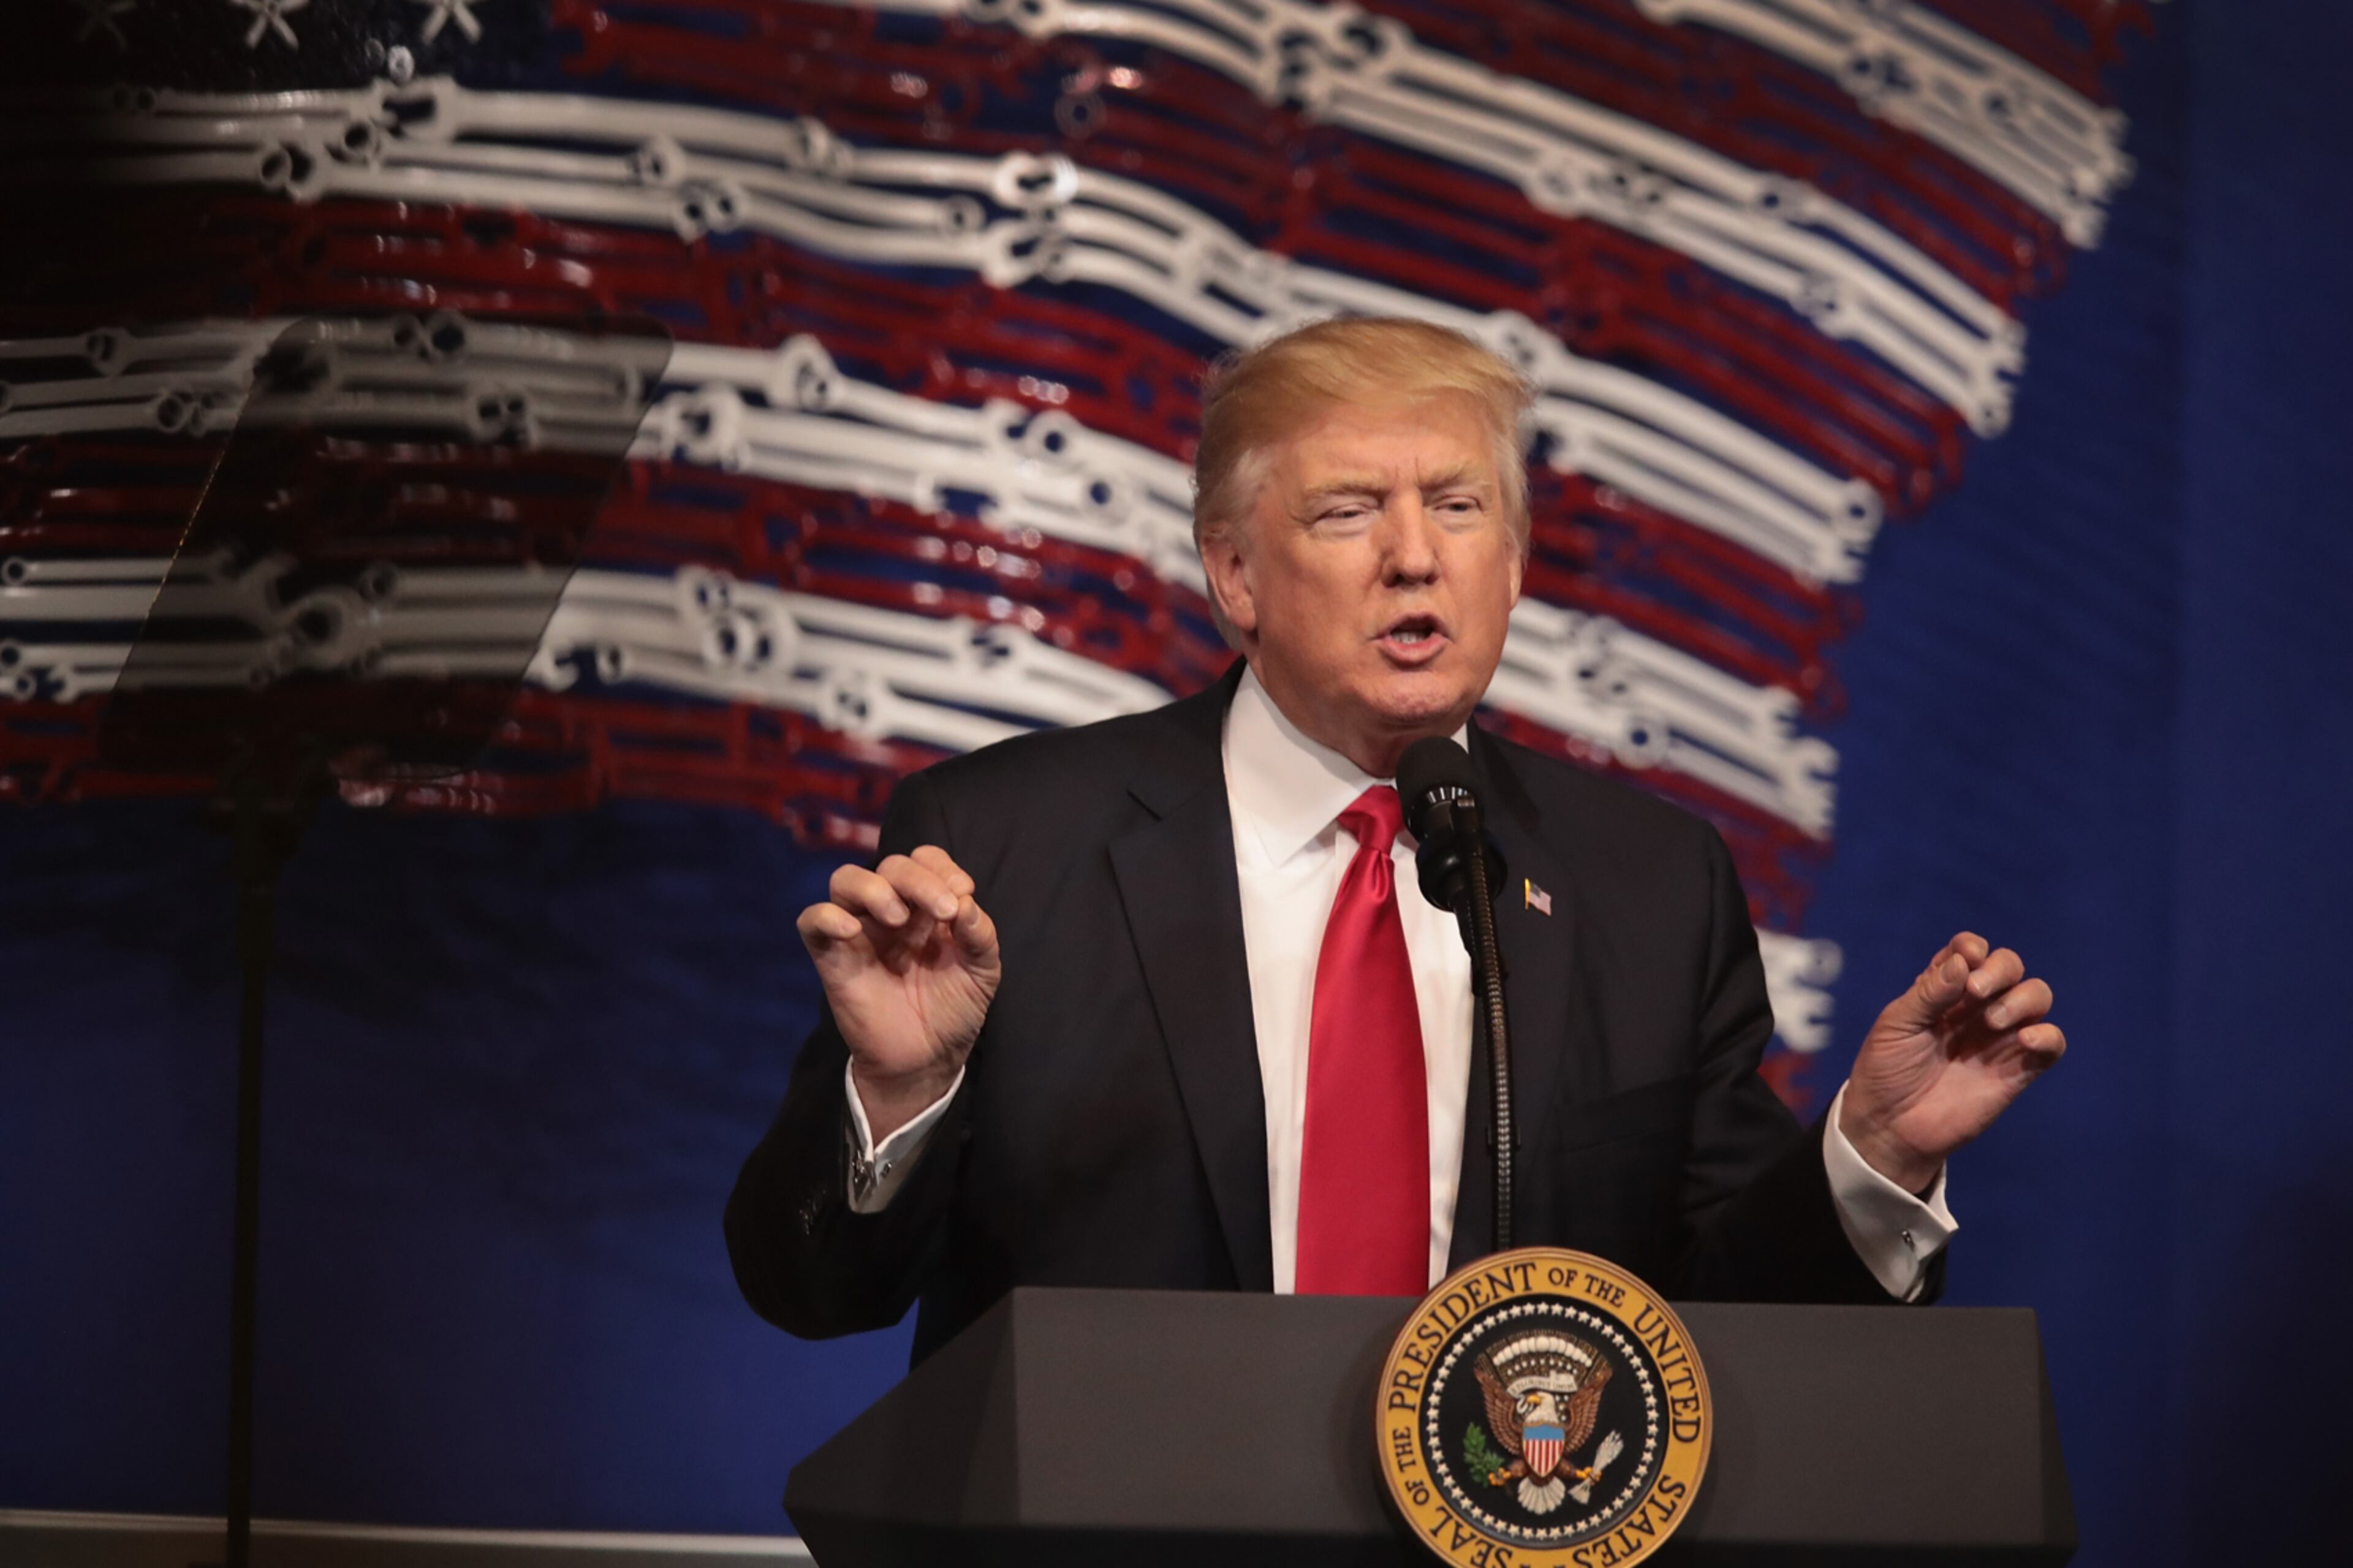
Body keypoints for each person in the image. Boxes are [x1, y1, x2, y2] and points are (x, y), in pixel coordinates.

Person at [725, 319, 2064, 1363]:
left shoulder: (1650, 882)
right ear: (1236, 574)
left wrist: (1871, 1157)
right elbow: (810, 1291)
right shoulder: (1006, 843)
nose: (1415, 556)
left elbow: (1730, 1330)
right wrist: (898, 1097)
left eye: (1461, 507)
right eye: (1349, 510)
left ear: (1517, 565)